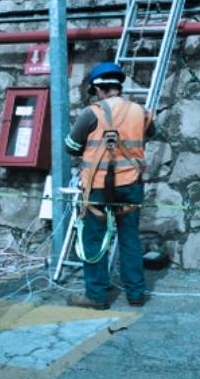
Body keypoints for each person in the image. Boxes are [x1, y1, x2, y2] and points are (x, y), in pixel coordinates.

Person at [64, 61, 155, 309]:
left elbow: (70, 146)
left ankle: (96, 295)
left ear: (98, 89)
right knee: (130, 239)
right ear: (118, 86)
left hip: (98, 186)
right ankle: (136, 294)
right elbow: (150, 133)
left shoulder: (90, 113)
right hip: (130, 184)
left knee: (93, 239)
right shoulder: (141, 111)